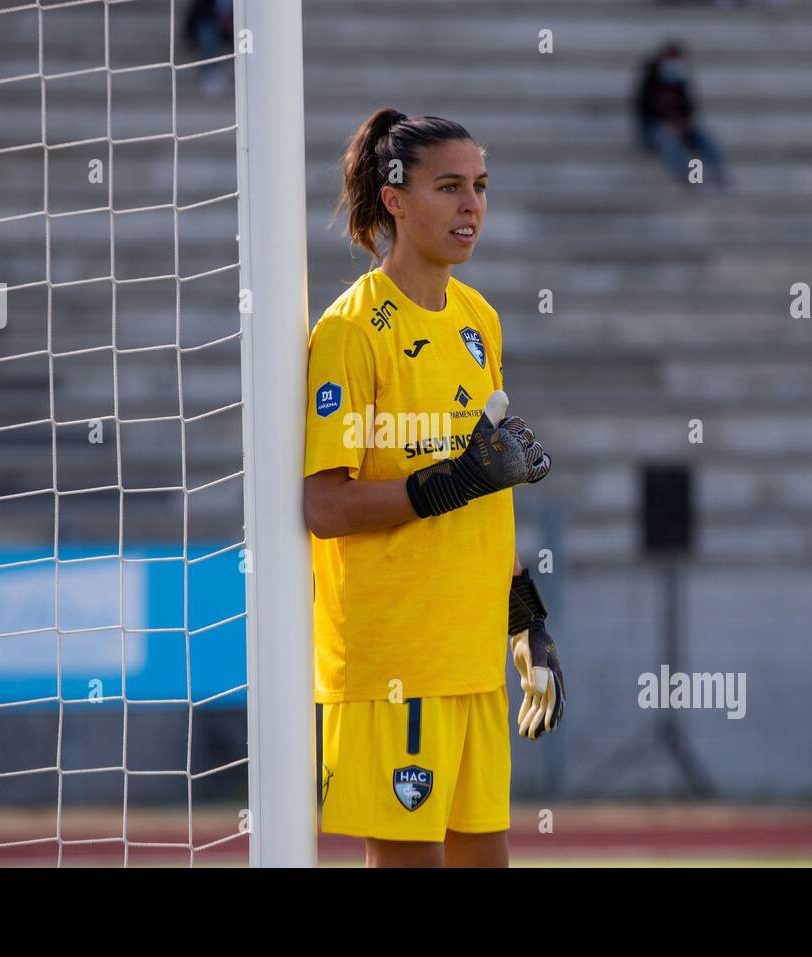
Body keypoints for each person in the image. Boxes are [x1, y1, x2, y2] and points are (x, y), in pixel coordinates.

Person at [303, 109, 568, 867]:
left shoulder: (479, 319)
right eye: (449, 187)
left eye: (480, 187)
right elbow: (323, 507)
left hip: (471, 657)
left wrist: (528, 626)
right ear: (393, 198)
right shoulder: (353, 331)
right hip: (396, 664)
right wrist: (447, 482)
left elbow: (488, 492)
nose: (472, 206)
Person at [634, 41, 728, 187]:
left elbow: (689, 106)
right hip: (654, 128)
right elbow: (644, 109)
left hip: (680, 126)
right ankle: (690, 179)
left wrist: (683, 123)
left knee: (704, 138)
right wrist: (665, 124)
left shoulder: (679, 81)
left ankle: (718, 174)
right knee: (670, 143)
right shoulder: (650, 83)